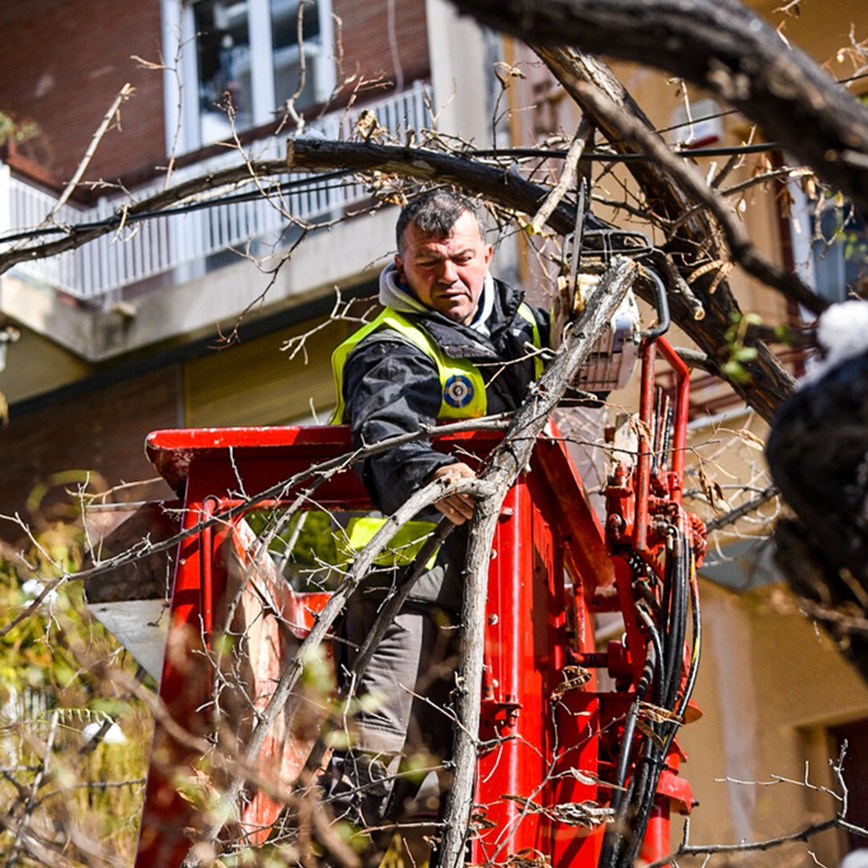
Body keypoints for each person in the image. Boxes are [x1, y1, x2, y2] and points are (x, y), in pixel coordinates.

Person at [323, 189, 549, 865]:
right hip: (408, 580)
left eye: (459, 259)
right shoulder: (390, 345)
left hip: (500, 581)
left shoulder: (524, 328)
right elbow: (386, 433)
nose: (446, 277)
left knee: (460, 769)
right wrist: (431, 473)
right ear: (401, 262)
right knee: (381, 747)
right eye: (428, 263)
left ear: (485, 254)